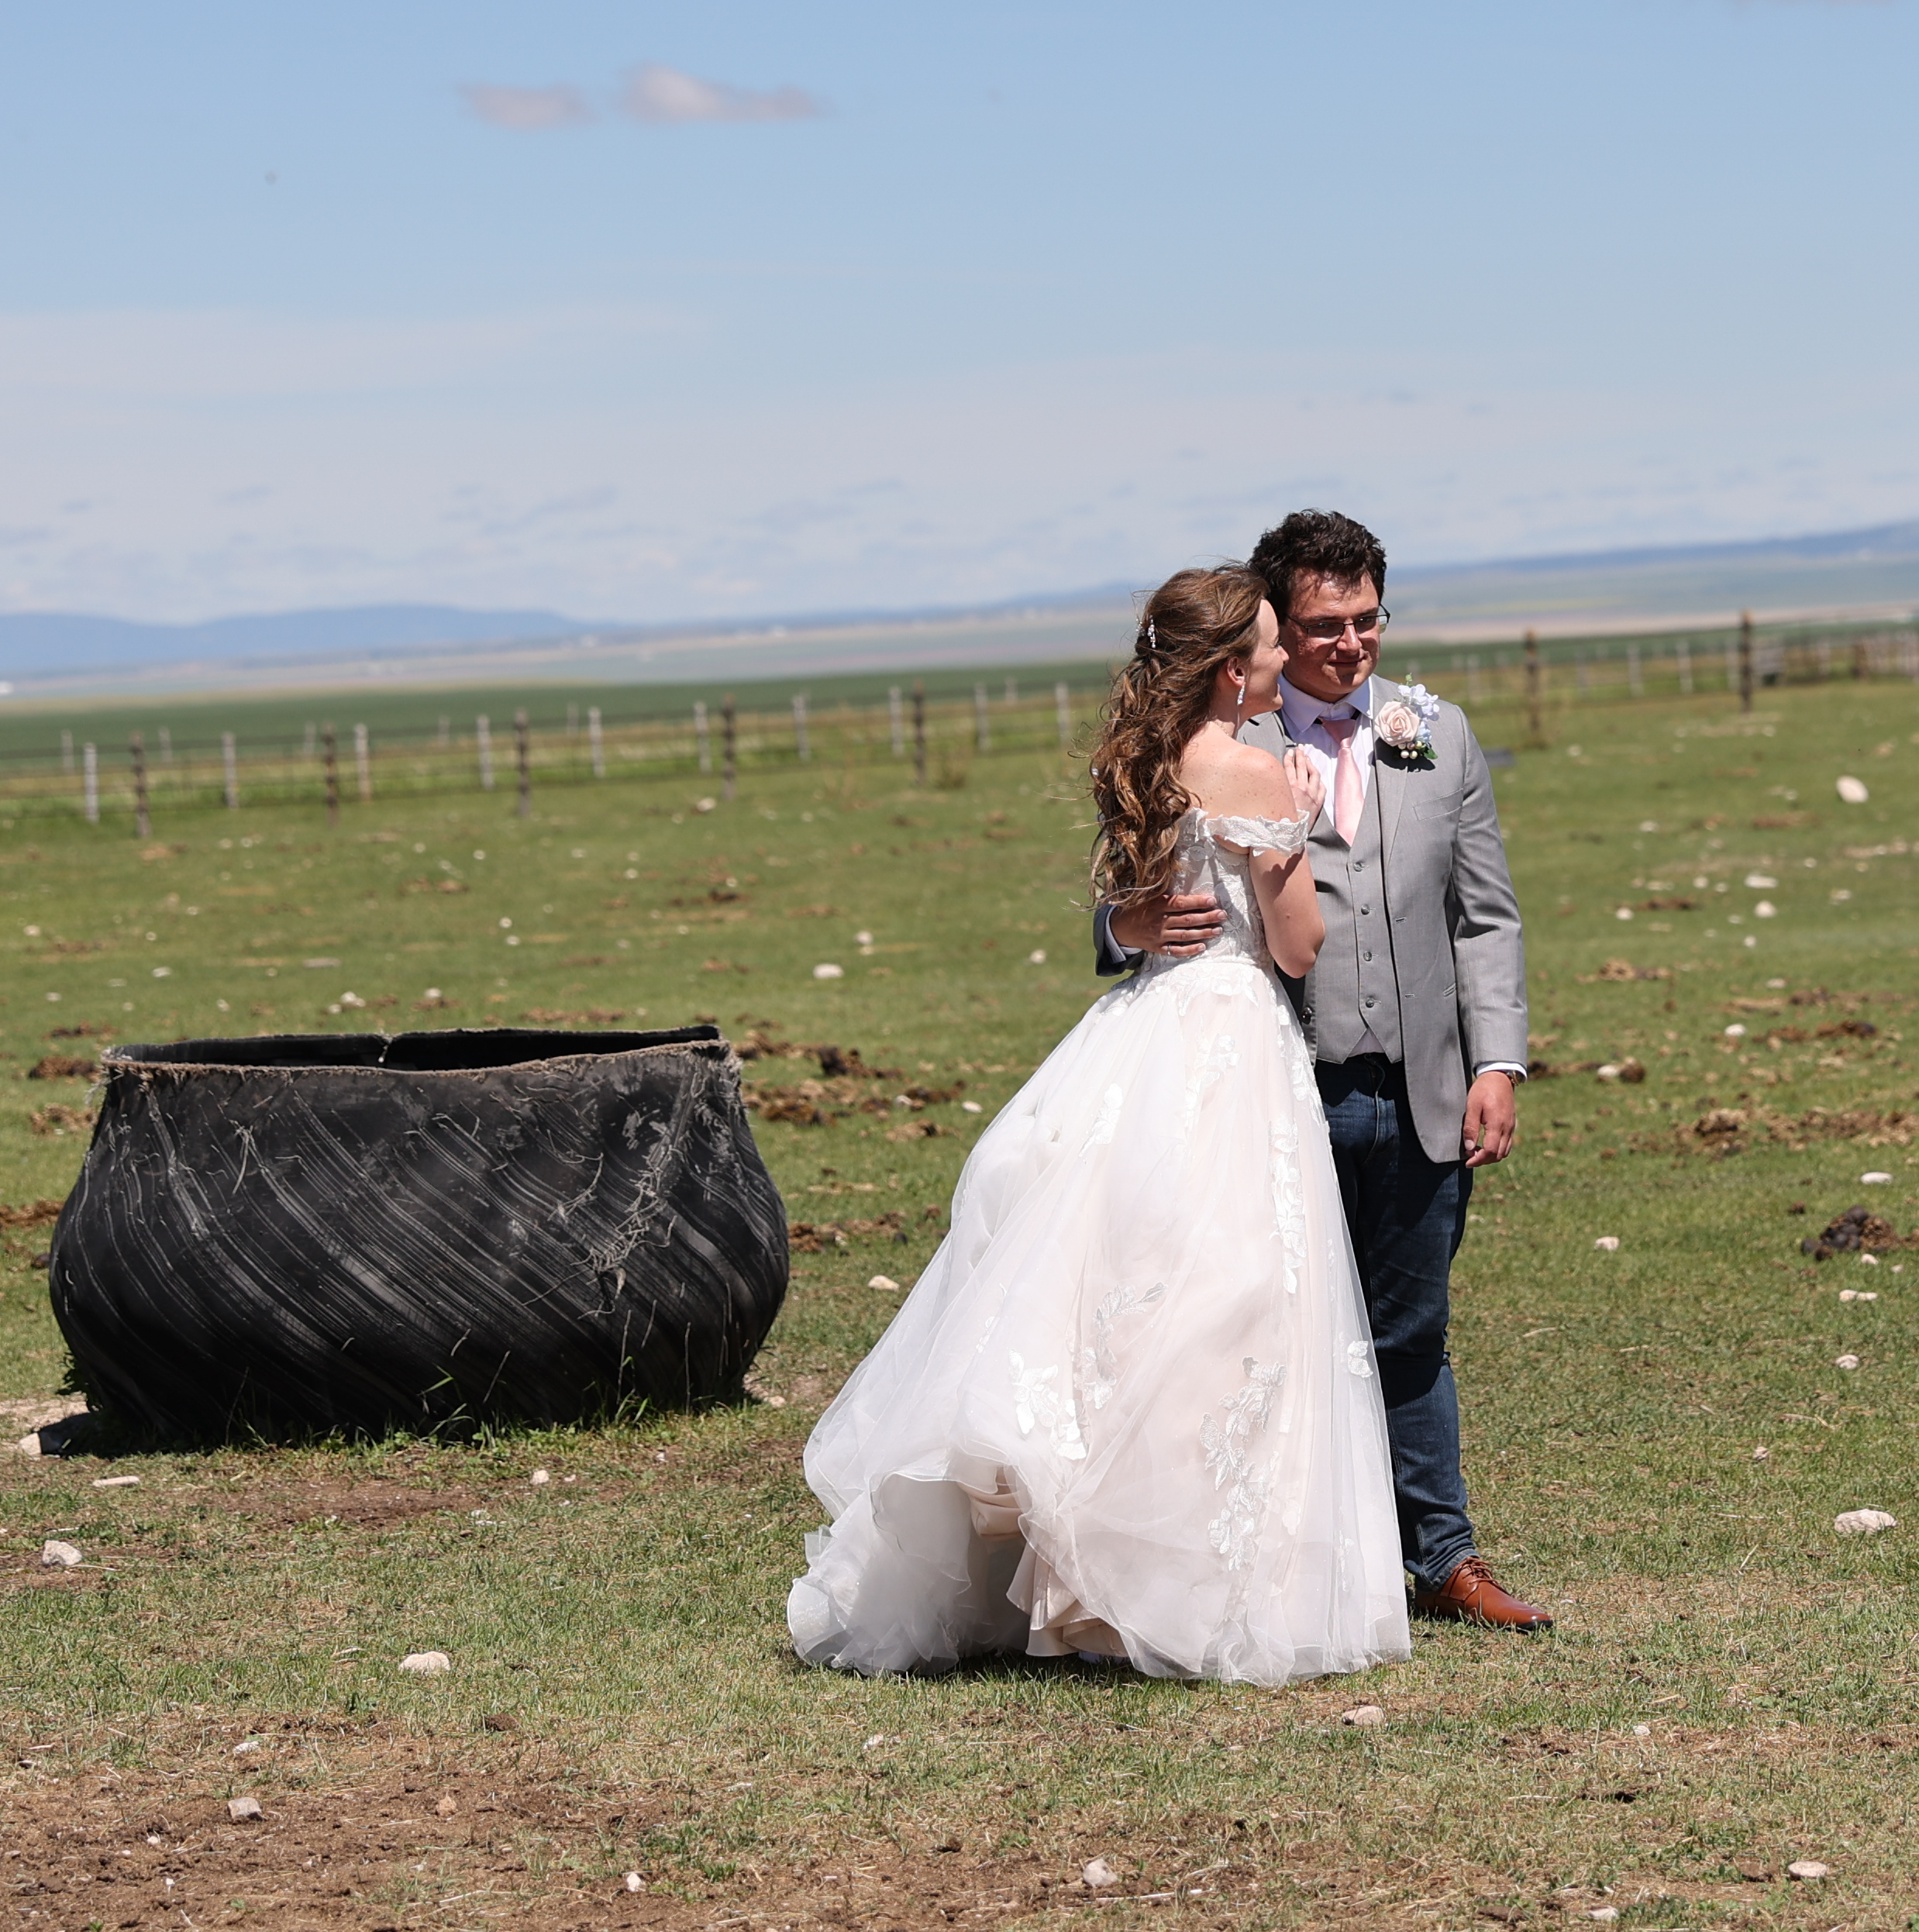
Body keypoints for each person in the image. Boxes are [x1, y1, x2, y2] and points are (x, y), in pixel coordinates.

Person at [787, 566, 1412, 1684]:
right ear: (1234, 669)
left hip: (1142, 1027)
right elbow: (1300, 947)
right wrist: (1280, 855)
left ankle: (1087, 1579)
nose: (1283, 662)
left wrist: (1131, 919)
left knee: (1119, 1290)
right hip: (1228, 1035)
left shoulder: (1142, 762)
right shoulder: (1259, 770)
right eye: (1271, 647)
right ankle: (1174, 1585)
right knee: (1230, 1302)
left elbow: (1130, 909)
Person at [1094, 511, 1549, 1632]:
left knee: (1412, 1328)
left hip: (1422, 1087)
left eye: (1367, 620)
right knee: (1264, 1333)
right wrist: (1128, 921)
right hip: (1274, 1089)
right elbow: (1122, 911)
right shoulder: (1215, 744)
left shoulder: (1437, 734)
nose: (1350, 645)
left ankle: (1445, 1557)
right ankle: (1287, 1563)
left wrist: (1498, 1058)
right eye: (1321, 624)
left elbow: (1484, 916)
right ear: (1271, 631)